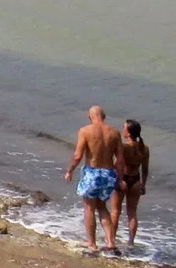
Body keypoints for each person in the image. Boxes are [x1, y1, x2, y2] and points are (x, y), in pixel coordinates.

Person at [65, 105, 122, 253]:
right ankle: (110, 242)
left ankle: (92, 243)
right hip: (109, 172)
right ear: (104, 116)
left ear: (89, 116)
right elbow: (120, 159)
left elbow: (78, 155)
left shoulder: (85, 131)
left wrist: (70, 170)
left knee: (89, 207)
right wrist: (119, 178)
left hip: (93, 172)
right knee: (102, 207)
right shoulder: (115, 133)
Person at [113, 119, 151, 248]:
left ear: (128, 133)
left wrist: (116, 179)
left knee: (115, 211)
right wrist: (143, 185)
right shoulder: (144, 148)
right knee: (132, 213)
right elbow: (145, 169)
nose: (122, 129)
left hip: (123, 179)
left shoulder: (124, 147)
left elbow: (117, 165)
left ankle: (111, 240)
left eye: (124, 128)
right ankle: (131, 242)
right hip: (136, 181)